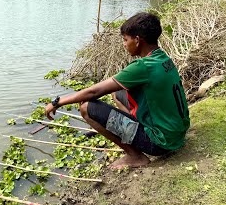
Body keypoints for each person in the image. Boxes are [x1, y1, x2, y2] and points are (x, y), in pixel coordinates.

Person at [44, 12, 190, 169]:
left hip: (161, 143)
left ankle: (135, 156)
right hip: (177, 134)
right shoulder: (162, 58)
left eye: (126, 40)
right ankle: (134, 131)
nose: (124, 44)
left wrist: (58, 102)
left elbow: (94, 92)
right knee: (118, 94)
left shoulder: (143, 67)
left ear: (137, 40)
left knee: (86, 107)